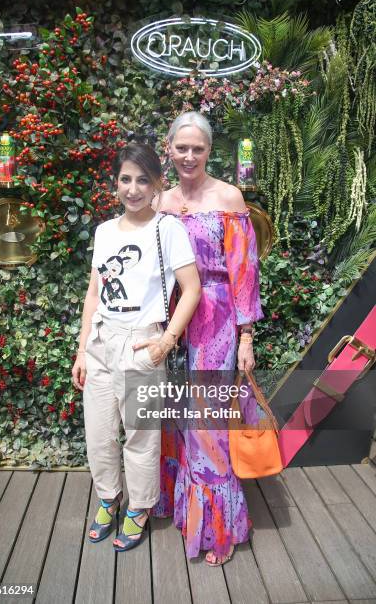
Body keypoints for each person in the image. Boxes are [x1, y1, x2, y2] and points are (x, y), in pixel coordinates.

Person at [72, 142, 201, 552]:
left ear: (157, 184)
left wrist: (166, 341)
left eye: (142, 179)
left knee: (140, 438)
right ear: (116, 183)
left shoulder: (168, 229)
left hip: (142, 342)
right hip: (101, 341)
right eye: (125, 179)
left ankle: (139, 508)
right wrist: (80, 349)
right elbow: (94, 294)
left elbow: (192, 289)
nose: (133, 188)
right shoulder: (105, 231)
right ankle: (108, 499)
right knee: (98, 433)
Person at [152, 112, 264, 565]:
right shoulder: (159, 200)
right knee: (177, 417)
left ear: (209, 151)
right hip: (169, 321)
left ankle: (217, 529)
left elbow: (245, 273)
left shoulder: (229, 197)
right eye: (182, 147)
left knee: (209, 424)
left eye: (198, 148)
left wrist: (246, 337)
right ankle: (186, 509)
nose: (189, 155)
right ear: (169, 148)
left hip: (216, 321)